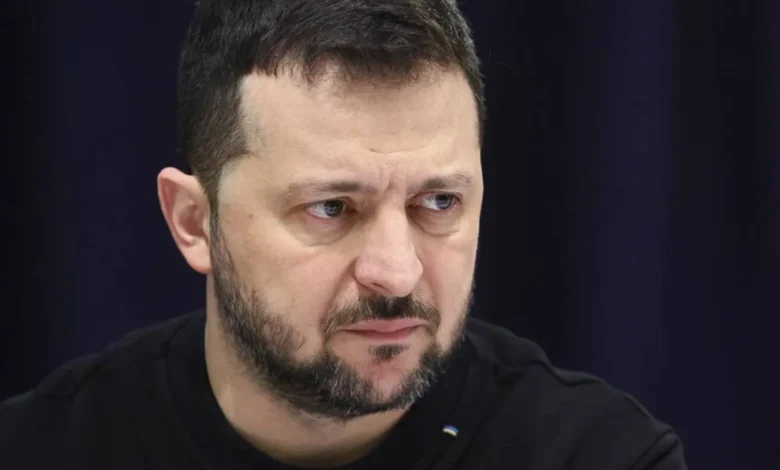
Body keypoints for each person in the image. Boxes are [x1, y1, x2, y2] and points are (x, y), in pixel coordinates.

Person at [0, 0, 688, 468]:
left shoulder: (600, 455)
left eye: (438, 202)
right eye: (330, 208)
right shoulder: (41, 450)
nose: (397, 272)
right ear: (193, 222)